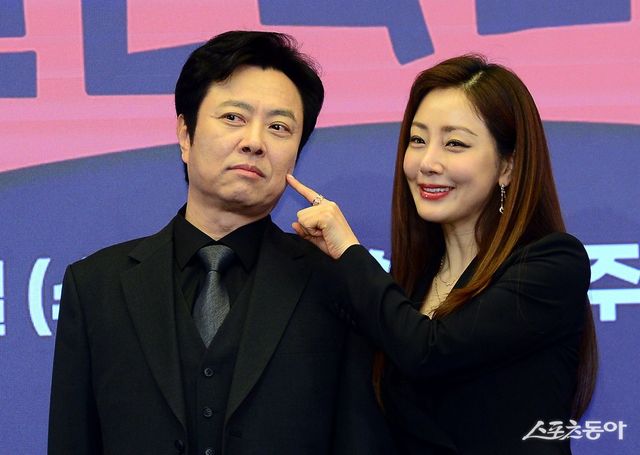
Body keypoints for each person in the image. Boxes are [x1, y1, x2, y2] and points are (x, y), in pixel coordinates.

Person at [48, 31, 394, 455]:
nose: (254, 142)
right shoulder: (96, 287)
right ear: (185, 134)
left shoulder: (335, 286)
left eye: (279, 127)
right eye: (233, 117)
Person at [287, 55, 598, 454]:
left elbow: (429, 351)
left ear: (508, 166)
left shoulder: (552, 265)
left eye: (455, 143)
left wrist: (349, 251)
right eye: (418, 140)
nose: (427, 163)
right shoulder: (411, 285)